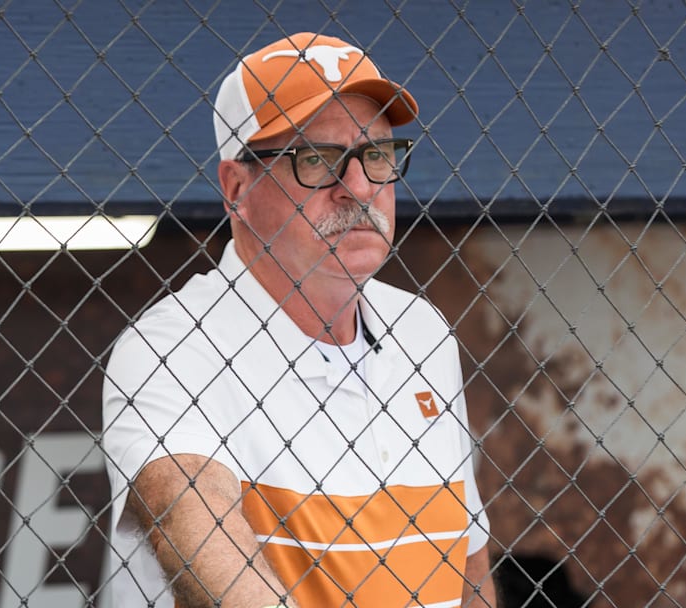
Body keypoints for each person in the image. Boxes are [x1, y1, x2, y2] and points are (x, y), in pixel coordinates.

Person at [102, 32, 494, 608]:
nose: (359, 188)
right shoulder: (174, 345)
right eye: (316, 159)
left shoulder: (422, 331)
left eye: (377, 154)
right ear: (237, 188)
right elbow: (201, 542)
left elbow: (467, 564)